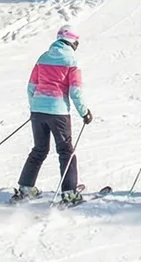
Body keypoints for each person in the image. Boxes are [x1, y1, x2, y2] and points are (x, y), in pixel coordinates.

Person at [14, 25, 93, 205]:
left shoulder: (43, 58)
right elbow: (75, 91)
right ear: (74, 42)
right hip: (58, 112)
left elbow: (31, 87)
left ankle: (25, 188)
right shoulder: (71, 61)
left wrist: (34, 108)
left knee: (39, 150)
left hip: (38, 111)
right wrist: (84, 112)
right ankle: (69, 193)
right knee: (66, 151)